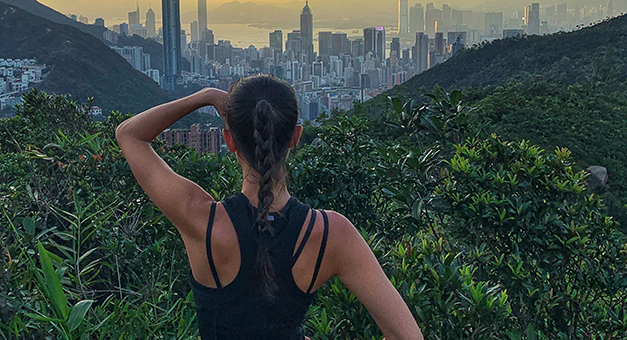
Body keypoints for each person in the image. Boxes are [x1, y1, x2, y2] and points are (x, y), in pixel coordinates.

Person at [116, 74, 423, 340]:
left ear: (229, 141)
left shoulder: (201, 219)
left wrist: (207, 96)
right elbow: (407, 335)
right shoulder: (332, 234)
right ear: (295, 137)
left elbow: (129, 135)